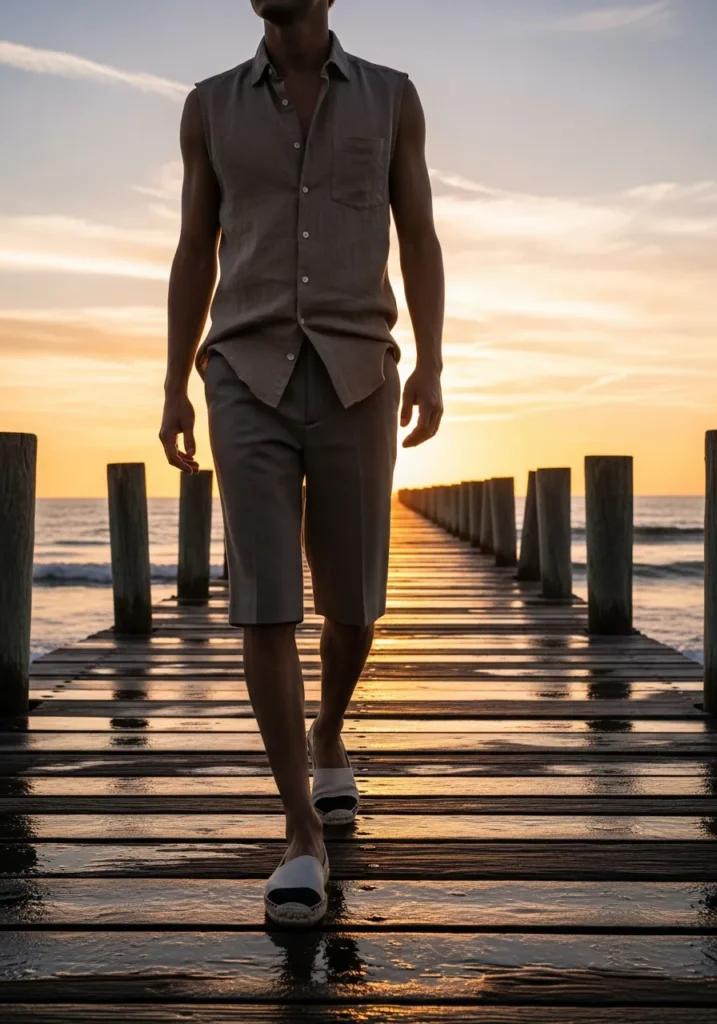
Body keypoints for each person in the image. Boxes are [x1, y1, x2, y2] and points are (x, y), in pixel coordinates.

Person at [159, 0, 444, 927]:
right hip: (242, 369)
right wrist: (172, 383)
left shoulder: (395, 98)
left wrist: (431, 364)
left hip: (360, 370)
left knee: (355, 603)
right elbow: (193, 250)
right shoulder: (208, 106)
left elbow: (420, 235)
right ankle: (299, 833)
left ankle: (328, 732)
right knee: (265, 597)